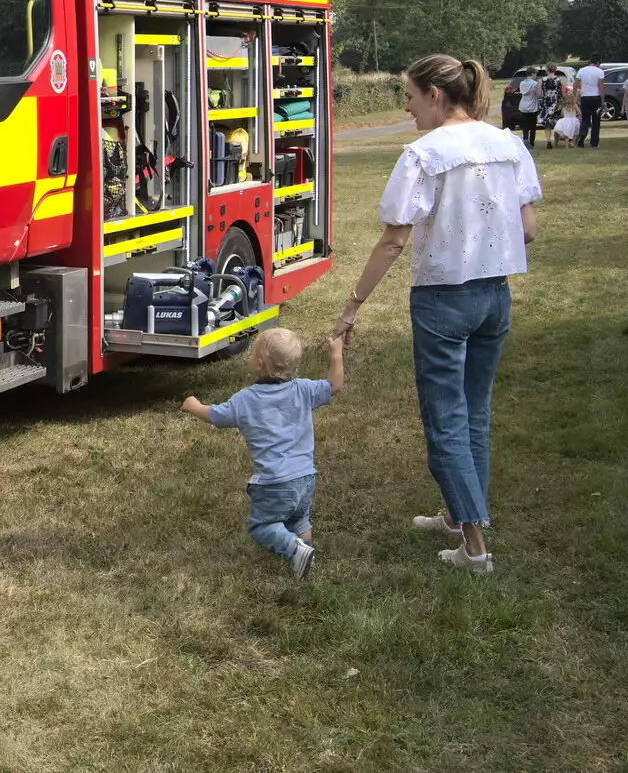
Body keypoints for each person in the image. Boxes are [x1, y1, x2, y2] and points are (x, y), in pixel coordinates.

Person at [333, 54, 541, 574]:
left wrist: (352, 305)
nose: (405, 108)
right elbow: (529, 229)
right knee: (474, 412)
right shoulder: (508, 144)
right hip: (495, 296)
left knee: (446, 419)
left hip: (443, 299)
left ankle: (474, 548)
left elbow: (393, 240)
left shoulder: (424, 154)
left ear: (435, 95)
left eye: (407, 96)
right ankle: (457, 515)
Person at [181, 328, 344, 580]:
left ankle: (294, 549)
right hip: (306, 478)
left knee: (261, 526)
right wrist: (336, 353)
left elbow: (216, 417)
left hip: (273, 484)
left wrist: (194, 406)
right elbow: (335, 385)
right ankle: (305, 554)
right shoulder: (303, 389)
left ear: (258, 362)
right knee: (299, 521)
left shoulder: (246, 399)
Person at [574, 58, 606, 147]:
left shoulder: (581, 70)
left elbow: (576, 84)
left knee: (585, 119)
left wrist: (575, 96)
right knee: (596, 120)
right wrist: (603, 100)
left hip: (585, 97)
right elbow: (601, 86)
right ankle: (594, 142)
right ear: (597, 62)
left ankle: (582, 136)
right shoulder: (599, 71)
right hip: (596, 97)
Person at [538, 66, 565, 149]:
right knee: (557, 123)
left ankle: (548, 141)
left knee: (547, 124)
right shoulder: (560, 80)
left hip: (546, 103)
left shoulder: (542, 80)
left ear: (547, 70)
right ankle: (556, 142)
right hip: (557, 104)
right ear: (555, 70)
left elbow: (539, 94)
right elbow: (563, 93)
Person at [515, 69, 540, 149]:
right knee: (532, 125)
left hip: (524, 105)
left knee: (525, 124)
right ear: (532, 74)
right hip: (532, 105)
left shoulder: (522, 83)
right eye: (535, 74)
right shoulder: (535, 84)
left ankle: (525, 140)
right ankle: (532, 142)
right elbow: (538, 94)